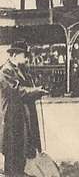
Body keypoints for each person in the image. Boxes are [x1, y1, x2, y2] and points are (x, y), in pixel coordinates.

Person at [0, 42, 47, 177]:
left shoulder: (21, 70)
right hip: (12, 119)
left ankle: (19, 173)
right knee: (12, 153)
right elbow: (17, 92)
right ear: (14, 55)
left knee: (21, 151)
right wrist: (36, 91)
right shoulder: (5, 71)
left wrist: (36, 89)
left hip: (21, 118)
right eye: (24, 55)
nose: (26, 59)